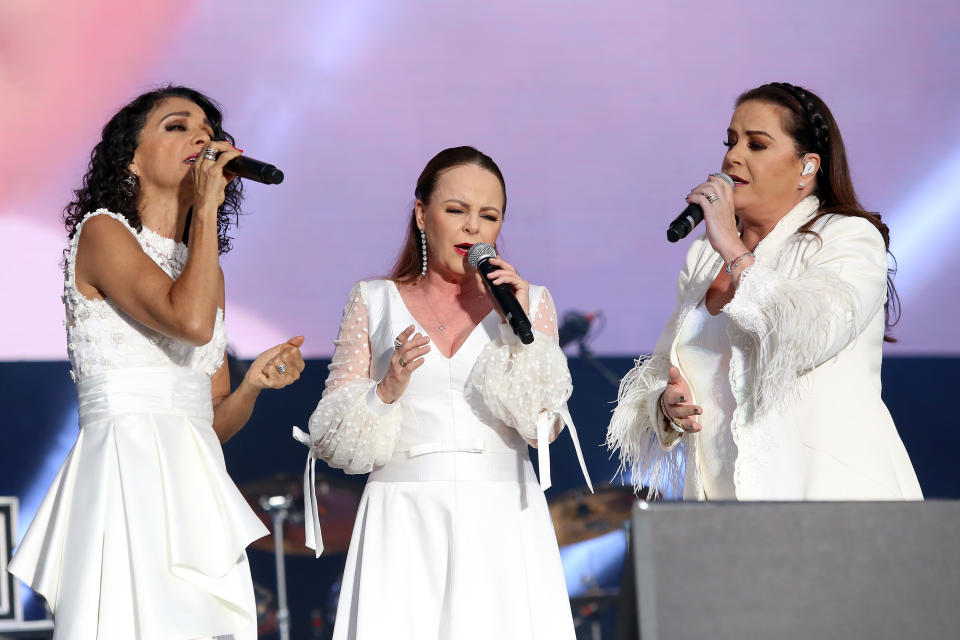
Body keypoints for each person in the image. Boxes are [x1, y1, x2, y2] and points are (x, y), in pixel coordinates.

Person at [9, 86, 306, 639]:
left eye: (208, 128)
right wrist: (209, 208)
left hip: (193, 486)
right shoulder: (102, 232)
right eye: (176, 125)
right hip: (126, 474)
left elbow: (208, 421)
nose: (201, 136)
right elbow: (189, 323)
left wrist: (251, 389)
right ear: (131, 158)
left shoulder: (204, 269)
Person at [293, 146, 591, 639]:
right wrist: (385, 391)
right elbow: (333, 438)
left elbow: (545, 428)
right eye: (457, 210)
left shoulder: (529, 303)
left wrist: (516, 331)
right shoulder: (373, 298)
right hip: (403, 514)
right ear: (421, 214)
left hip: (501, 514)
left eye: (488, 216)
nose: (473, 228)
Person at [607, 82, 922, 501]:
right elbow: (666, 367)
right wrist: (667, 404)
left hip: (832, 500)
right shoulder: (703, 257)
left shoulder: (847, 237)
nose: (732, 156)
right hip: (729, 513)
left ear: (807, 167)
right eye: (731, 141)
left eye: (756, 145)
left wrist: (734, 250)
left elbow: (810, 335)